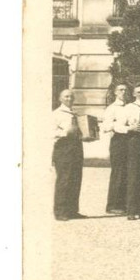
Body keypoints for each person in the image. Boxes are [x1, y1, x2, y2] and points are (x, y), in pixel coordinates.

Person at [117, 84, 140, 220]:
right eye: (139, 92)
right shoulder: (129, 108)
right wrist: (130, 128)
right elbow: (118, 125)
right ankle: (131, 210)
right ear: (134, 94)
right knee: (134, 176)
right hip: (135, 141)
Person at [52, 89, 85, 221]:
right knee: (64, 180)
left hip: (76, 147)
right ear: (60, 99)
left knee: (75, 179)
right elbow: (49, 132)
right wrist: (65, 132)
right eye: (66, 96)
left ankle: (72, 210)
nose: (69, 99)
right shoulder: (56, 114)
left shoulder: (75, 114)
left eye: (71, 97)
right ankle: (60, 212)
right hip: (63, 148)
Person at [101, 83, 130, 214]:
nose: (123, 92)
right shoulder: (111, 108)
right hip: (118, 141)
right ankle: (113, 205)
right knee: (118, 172)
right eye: (120, 90)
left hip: (129, 142)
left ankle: (124, 203)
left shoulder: (129, 107)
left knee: (127, 172)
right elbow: (106, 126)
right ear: (115, 92)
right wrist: (124, 128)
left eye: (125, 90)